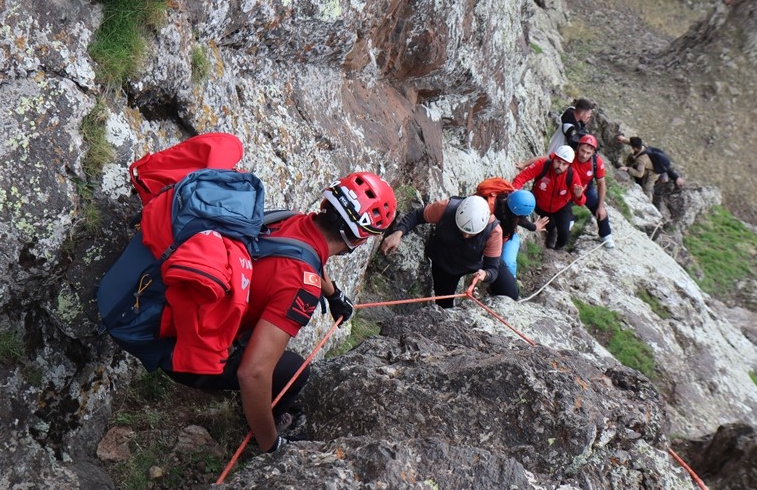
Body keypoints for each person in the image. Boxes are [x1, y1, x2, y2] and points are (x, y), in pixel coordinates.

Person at [165, 172, 397, 455]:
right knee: (293, 371)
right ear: (359, 240)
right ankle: (266, 424)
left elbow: (304, 254)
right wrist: (272, 445)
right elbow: (253, 373)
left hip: (173, 305)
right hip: (178, 352)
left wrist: (333, 294)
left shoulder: (287, 220)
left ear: (326, 205)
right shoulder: (301, 286)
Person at [379, 194, 516, 306]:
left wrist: (485, 275)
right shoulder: (446, 208)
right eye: (462, 230)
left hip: (477, 262)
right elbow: (417, 215)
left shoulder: (493, 231)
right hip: (446, 262)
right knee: (444, 306)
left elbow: (492, 268)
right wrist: (398, 233)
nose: (466, 235)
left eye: (471, 233)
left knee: (510, 293)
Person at [512, 145, 585, 250]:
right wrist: (514, 192)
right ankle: (551, 233)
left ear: (569, 165)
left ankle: (558, 249)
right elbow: (522, 177)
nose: (560, 166)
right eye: (558, 162)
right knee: (550, 225)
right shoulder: (543, 165)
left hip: (561, 206)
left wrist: (579, 196)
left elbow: (581, 202)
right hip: (541, 203)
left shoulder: (572, 175)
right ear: (553, 158)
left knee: (564, 234)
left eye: (564, 164)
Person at [570, 134, 614, 249]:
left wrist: (600, 206)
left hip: (586, 187)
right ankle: (566, 223)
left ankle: (605, 235)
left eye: (588, 153)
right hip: (567, 187)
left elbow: (601, 183)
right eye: (582, 151)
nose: (584, 155)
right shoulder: (570, 155)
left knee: (600, 210)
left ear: (593, 152)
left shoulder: (596, 163)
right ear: (578, 147)